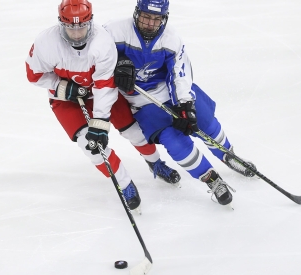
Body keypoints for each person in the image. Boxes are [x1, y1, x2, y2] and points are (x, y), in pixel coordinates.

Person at [25, 0, 182, 212]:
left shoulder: (102, 41)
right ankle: (124, 183)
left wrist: (99, 123)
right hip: (66, 101)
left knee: (134, 132)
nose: (77, 33)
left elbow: (104, 85)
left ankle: (155, 163)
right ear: (61, 24)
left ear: (90, 21)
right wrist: (61, 87)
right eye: (71, 27)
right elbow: (33, 75)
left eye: (82, 26)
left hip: (102, 94)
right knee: (92, 148)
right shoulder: (46, 42)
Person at [104, 0, 257, 206]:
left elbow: (180, 73)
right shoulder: (113, 32)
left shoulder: (171, 39)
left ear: (164, 18)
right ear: (137, 13)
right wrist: (117, 63)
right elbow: (94, 55)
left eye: (156, 19)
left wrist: (184, 105)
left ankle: (229, 155)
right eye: (146, 17)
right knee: (173, 140)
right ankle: (211, 179)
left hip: (171, 91)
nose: (150, 24)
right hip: (142, 100)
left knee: (204, 121)